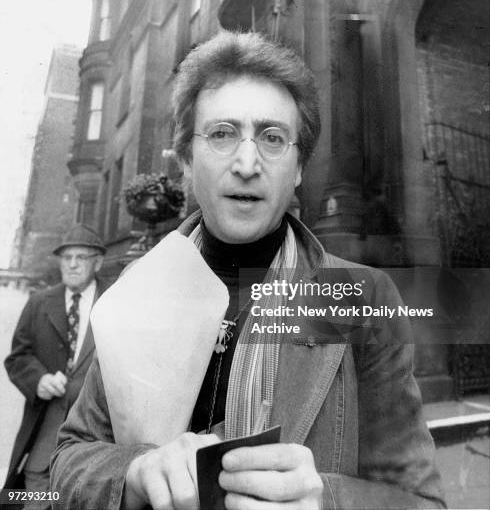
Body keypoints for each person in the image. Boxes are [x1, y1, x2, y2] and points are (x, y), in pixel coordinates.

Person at [51, 32, 445, 509]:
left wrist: (326, 500)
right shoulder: (135, 291)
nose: (246, 162)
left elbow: (423, 503)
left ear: (299, 167)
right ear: (187, 160)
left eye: (273, 138)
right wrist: (133, 472)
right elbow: (68, 460)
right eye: (221, 134)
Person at [3, 225, 107, 509]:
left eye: (81, 257)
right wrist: (38, 380)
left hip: (94, 446)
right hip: (43, 442)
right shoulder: (38, 303)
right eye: (66, 257)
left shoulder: (113, 303)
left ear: (97, 262)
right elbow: (17, 357)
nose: (72, 264)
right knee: (36, 503)